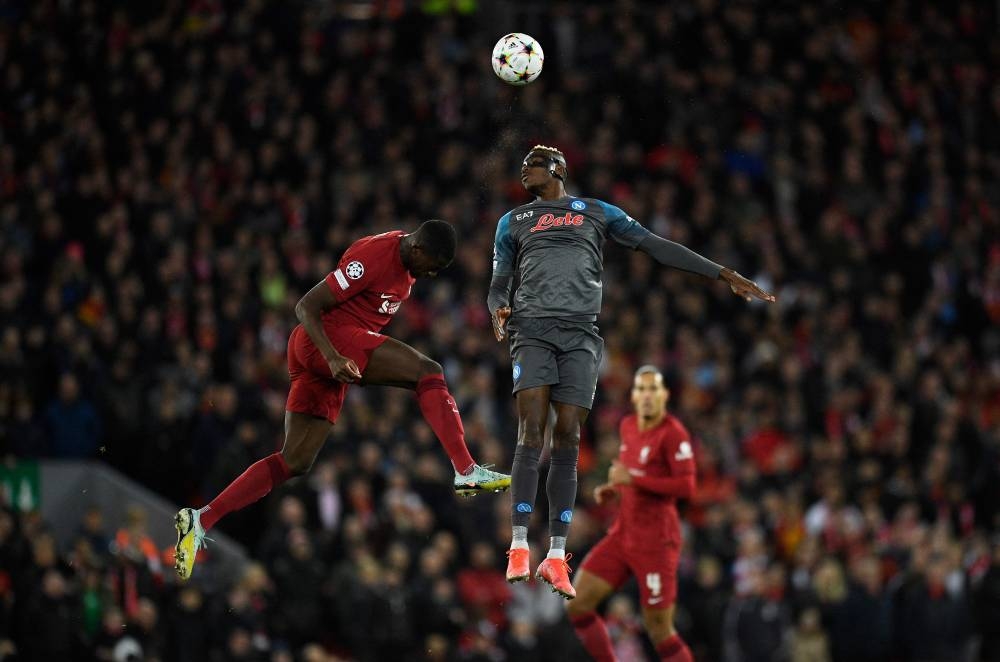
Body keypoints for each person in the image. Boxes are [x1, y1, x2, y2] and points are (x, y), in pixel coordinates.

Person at [490, 145, 774, 598]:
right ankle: (520, 543)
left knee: (567, 436)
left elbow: (655, 247)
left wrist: (721, 273)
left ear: (558, 170)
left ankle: (557, 556)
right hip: (533, 330)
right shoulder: (513, 222)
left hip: (581, 336)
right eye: (522, 165)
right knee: (532, 429)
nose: (524, 169)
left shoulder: (597, 212)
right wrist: (497, 309)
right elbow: (498, 284)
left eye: (534, 162)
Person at [175, 221, 510, 579]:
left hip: (335, 352)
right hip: (325, 342)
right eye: (433, 266)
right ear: (418, 249)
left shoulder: (407, 263)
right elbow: (306, 307)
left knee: (296, 460)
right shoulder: (373, 257)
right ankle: (465, 470)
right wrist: (333, 356)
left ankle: (200, 519)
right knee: (429, 371)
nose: (431, 275)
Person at [565, 365, 696, 662]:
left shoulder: (673, 434)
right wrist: (616, 490)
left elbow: (686, 486)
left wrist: (633, 481)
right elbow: (631, 473)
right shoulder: (627, 427)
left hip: (656, 542)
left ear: (663, 395)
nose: (647, 396)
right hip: (623, 533)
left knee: (659, 630)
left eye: (653, 389)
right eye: (641, 389)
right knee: (578, 604)